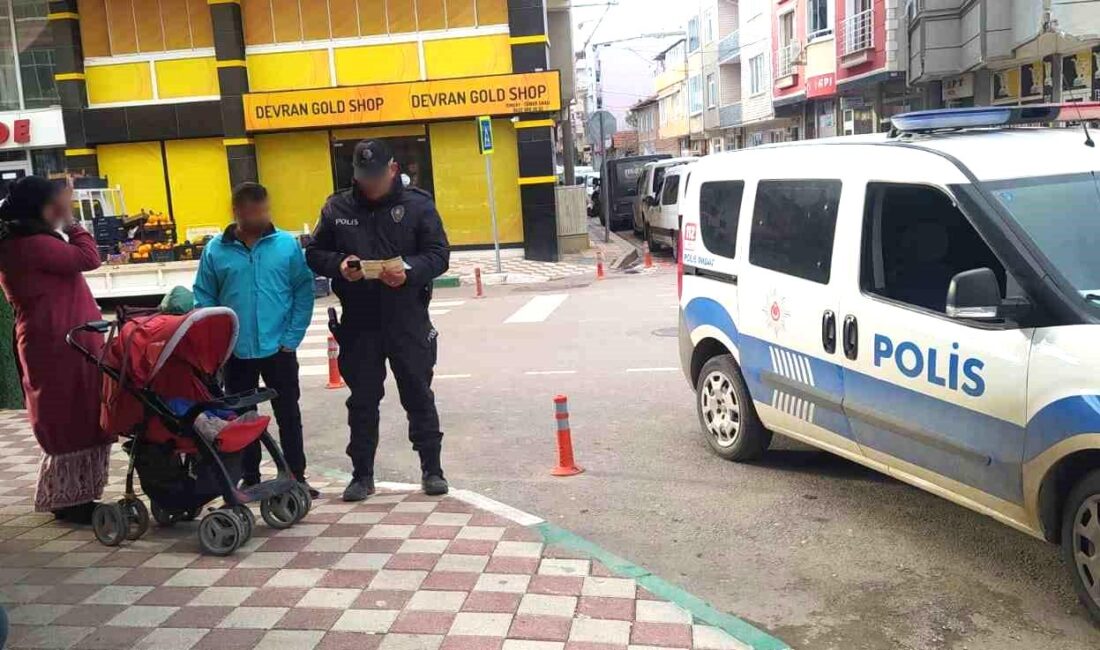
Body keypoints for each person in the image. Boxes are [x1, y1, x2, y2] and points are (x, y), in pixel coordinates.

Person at [306, 140, 450, 501]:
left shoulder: (417, 205)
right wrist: (339, 265)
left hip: (407, 316)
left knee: (418, 393)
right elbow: (315, 253)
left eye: (375, 176)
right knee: (363, 400)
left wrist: (410, 270)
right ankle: (362, 475)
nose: (369, 183)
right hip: (360, 320)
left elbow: (439, 255)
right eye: (362, 176)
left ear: (392, 170)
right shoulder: (337, 207)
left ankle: (432, 469)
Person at [0, 177, 114, 523]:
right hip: (58, 344)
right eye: (56, 204)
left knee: (75, 410)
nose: (61, 210)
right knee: (70, 414)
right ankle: (71, 501)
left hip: (64, 340)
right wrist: (74, 222)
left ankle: (74, 496)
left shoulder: (20, 241)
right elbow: (89, 257)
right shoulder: (29, 244)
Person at [194, 182, 318, 496]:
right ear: (237, 212)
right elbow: (204, 297)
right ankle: (249, 476)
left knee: (289, 413)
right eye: (253, 213)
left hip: (279, 347)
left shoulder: (285, 245)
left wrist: (292, 337)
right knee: (240, 419)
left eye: (264, 210)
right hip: (235, 352)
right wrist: (218, 343)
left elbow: (303, 290)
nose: (261, 217)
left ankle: (296, 477)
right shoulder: (215, 250)